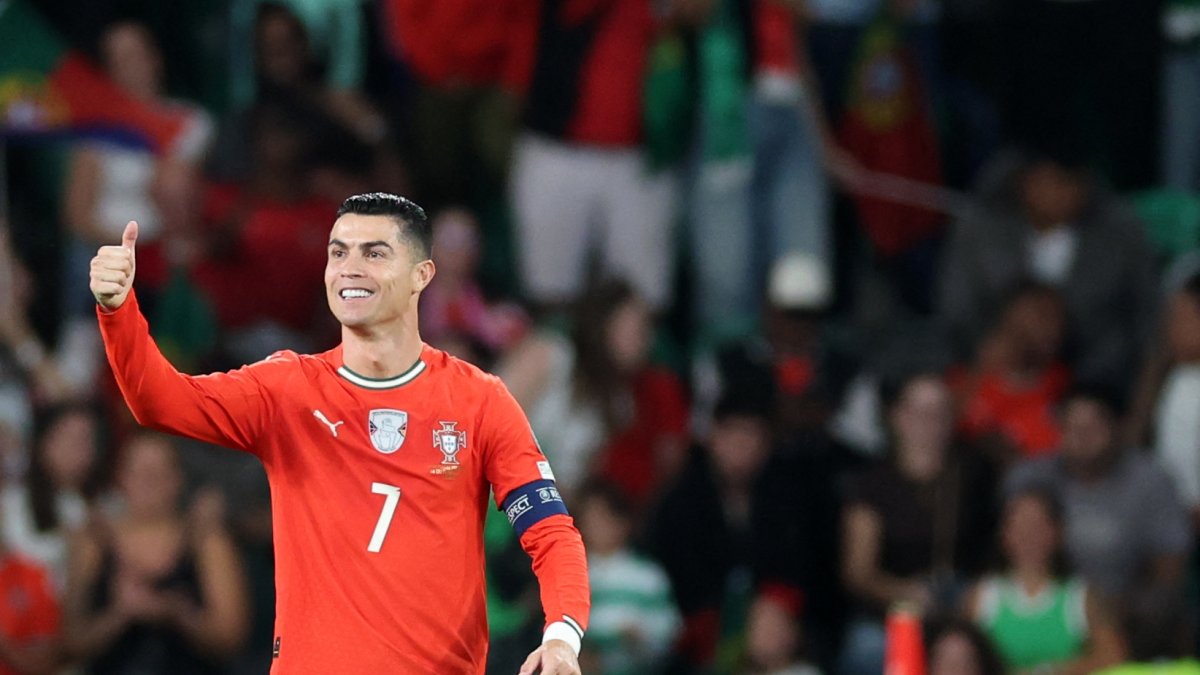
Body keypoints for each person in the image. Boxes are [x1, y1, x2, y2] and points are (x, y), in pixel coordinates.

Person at [88, 192, 589, 673]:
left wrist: (562, 639)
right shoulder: (286, 389)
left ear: (421, 275)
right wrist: (117, 312)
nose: (350, 267)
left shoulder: (479, 400)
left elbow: (550, 532)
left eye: (374, 253)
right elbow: (159, 402)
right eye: (338, 252)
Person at [1006, 387, 1193, 659]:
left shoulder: (1149, 479)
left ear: (1116, 428)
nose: (1082, 437)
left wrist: (1121, 608)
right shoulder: (1033, 476)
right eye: (1073, 427)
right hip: (1049, 606)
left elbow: (1170, 566)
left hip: (1127, 610)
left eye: (1093, 427)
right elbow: (1010, 540)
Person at [838, 373, 996, 675]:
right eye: (921, 412)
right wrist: (905, 592)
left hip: (958, 604)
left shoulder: (972, 472)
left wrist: (967, 597)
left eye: (940, 412)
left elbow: (992, 550)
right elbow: (858, 572)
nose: (931, 422)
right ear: (898, 417)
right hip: (892, 610)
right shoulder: (873, 483)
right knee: (867, 650)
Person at [63, 433, 248, 674]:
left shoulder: (206, 541)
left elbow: (231, 638)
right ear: (121, 478)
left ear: (178, 479)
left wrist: (175, 611)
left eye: (159, 472)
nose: (149, 481)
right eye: (139, 471)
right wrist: (120, 613)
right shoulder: (93, 542)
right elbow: (71, 642)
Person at [965, 489, 1126, 673]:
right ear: (1004, 534)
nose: (1029, 535)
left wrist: (1050, 671)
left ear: (1057, 532)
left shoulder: (1081, 597)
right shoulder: (981, 597)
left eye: (1038, 526)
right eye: (1020, 525)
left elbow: (1113, 657)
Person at [575, 481, 678, 675]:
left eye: (604, 518)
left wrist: (642, 636)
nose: (596, 526)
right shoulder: (574, 573)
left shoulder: (648, 575)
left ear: (622, 522)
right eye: (589, 519)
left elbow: (669, 629)